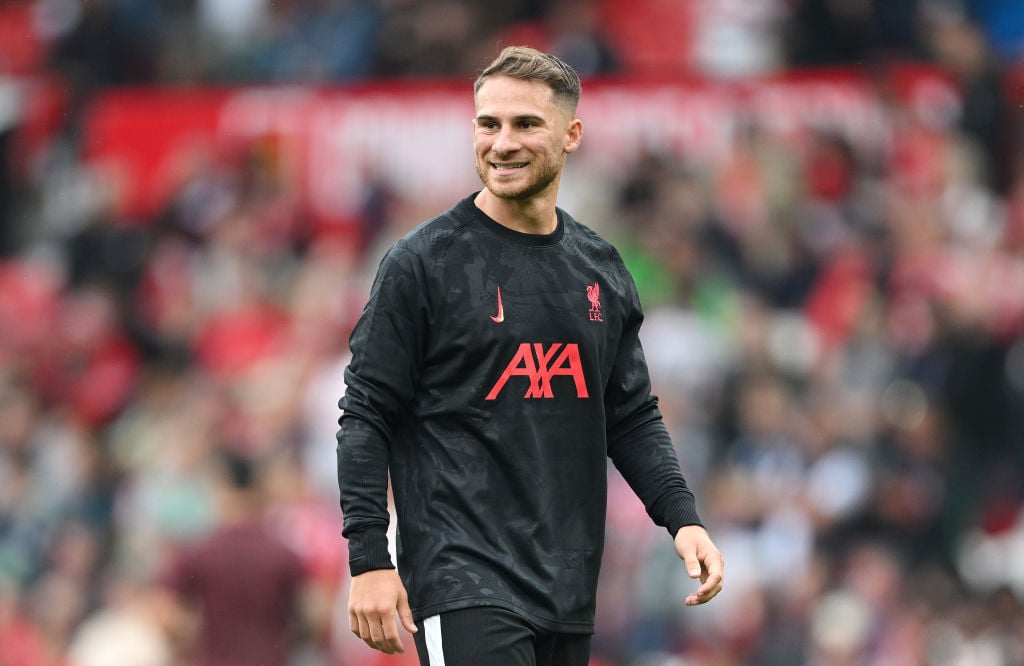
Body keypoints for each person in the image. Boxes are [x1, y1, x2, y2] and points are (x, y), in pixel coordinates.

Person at [337, 45, 724, 666]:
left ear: (571, 135)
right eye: (488, 124)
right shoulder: (423, 264)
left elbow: (628, 415)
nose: (502, 142)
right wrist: (369, 559)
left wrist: (683, 520)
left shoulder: (599, 268)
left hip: (567, 584)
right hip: (461, 577)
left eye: (525, 124)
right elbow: (365, 415)